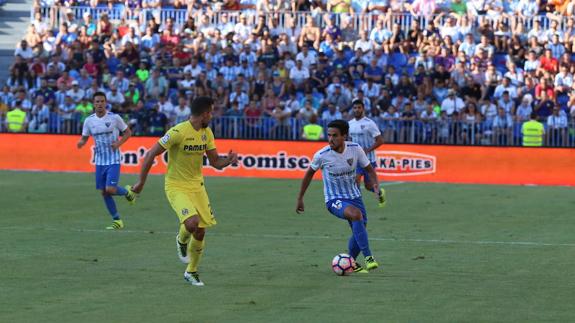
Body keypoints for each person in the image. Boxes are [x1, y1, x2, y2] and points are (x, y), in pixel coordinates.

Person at [131, 97, 238, 286]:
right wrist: (141, 182)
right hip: (176, 185)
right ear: (204, 114)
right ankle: (181, 240)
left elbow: (215, 163)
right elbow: (150, 154)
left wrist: (228, 160)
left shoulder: (207, 133)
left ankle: (191, 271)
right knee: (192, 223)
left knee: (201, 232)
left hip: (197, 187)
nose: (211, 116)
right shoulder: (178, 132)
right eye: (210, 112)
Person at [296, 120, 381, 274]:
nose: (330, 139)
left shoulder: (355, 149)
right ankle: (369, 258)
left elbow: (369, 169)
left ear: (344, 136)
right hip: (334, 200)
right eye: (328, 135)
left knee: (360, 227)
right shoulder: (322, 155)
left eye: (334, 136)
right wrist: (300, 198)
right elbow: (309, 174)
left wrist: (375, 185)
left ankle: (351, 263)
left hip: (355, 197)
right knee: (356, 215)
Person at [77, 92, 137, 230]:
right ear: (93, 103)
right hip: (99, 161)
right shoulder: (89, 121)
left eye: (102, 101)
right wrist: (81, 143)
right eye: (97, 101)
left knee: (110, 189)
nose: (99, 104)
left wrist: (119, 144)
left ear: (106, 103)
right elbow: (85, 137)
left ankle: (128, 193)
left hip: (113, 159)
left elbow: (128, 133)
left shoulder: (115, 118)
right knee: (104, 192)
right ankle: (117, 221)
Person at [348, 99, 386, 207]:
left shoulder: (369, 123)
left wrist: (367, 150)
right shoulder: (350, 124)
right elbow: (350, 140)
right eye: (355, 108)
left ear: (363, 109)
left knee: (369, 186)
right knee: (355, 182)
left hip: (369, 159)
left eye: (359, 107)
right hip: (356, 160)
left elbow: (380, 140)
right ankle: (357, 205)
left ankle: (380, 193)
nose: (357, 110)